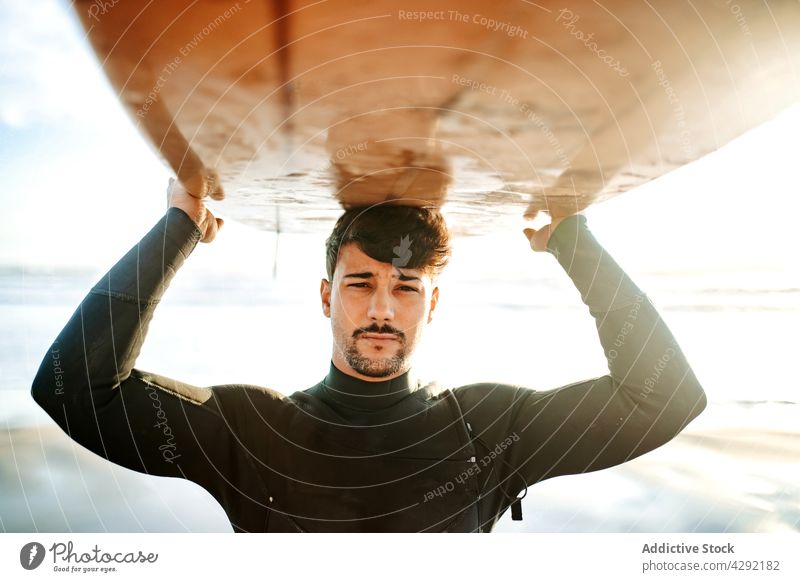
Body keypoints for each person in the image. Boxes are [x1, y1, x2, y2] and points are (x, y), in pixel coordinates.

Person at [31, 177, 707, 532]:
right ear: (327, 295)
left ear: (432, 304)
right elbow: (74, 390)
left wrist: (572, 240)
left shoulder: (493, 429)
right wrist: (178, 228)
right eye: (362, 283)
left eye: (406, 287)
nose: (383, 309)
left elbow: (665, 396)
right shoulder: (252, 431)